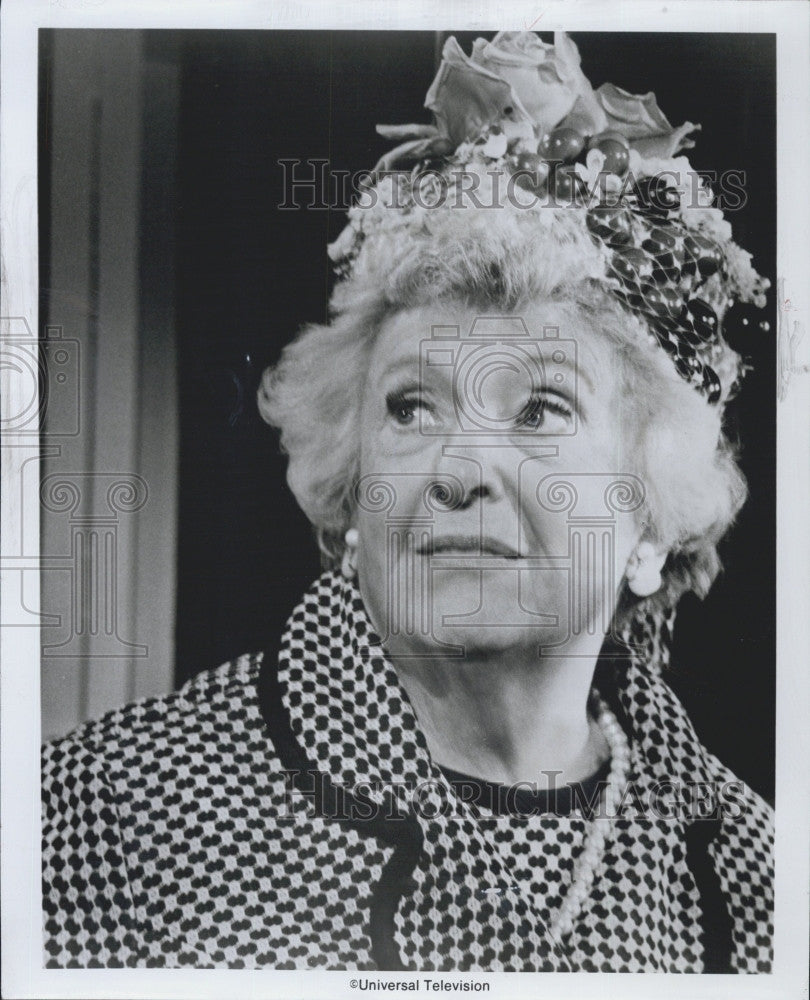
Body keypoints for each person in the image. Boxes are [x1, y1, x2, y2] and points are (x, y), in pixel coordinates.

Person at [41, 31, 773, 972]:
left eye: (541, 407)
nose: (458, 470)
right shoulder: (104, 818)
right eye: (412, 406)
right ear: (350, 495)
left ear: (651, 524)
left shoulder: (754, 873)